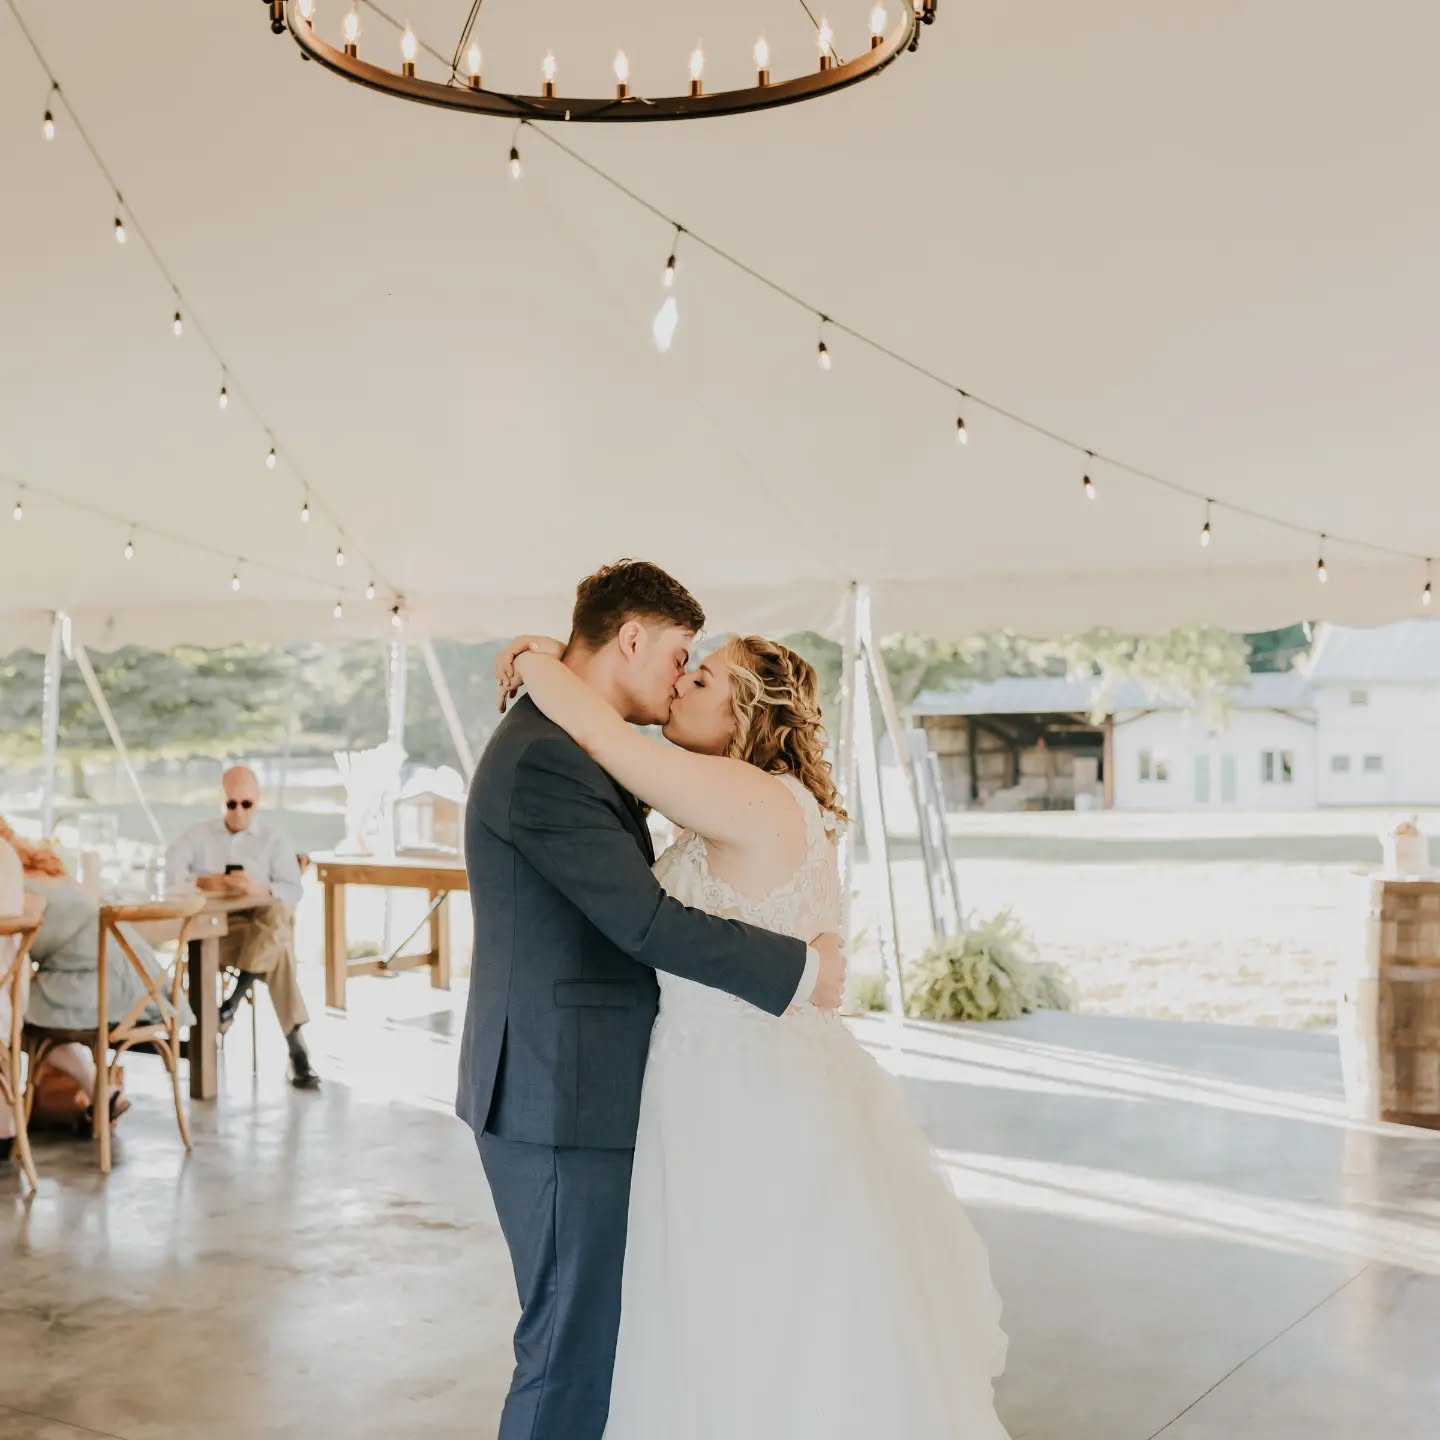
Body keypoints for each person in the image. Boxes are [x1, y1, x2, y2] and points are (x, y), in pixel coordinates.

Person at [496, 629, 1014, 1440]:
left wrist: (533, 663)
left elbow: (599, 734)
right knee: (717, 1325)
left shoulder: (746, 793)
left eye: (700, 679)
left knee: (749, 1323)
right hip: (717, 1081)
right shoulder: (739, 799)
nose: (679, 686)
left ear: (743, 713)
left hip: (741, 1099)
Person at [457, 561, 848, 1440]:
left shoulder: (573, 740)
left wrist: (536, 659)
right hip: (559, 1092)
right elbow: (642, 921)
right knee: (568, 1351)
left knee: (599, 1342)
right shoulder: (552, 760)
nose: (680, 676)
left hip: (601, 1087)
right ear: (631, 637)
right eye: (679, 655)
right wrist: (801, 973)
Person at [0, 816, 186, 1135]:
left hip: (100, 982)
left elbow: (13, 947)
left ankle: (15, 1119)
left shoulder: (12, 878)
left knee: (16, 1014)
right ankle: (101, 1091)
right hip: (142, 979)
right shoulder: (43, 866)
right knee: (19, 1006)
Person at [166, 766, 319, 1089]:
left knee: (276, 913)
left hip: (259, 927)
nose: (238, 811)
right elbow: (170, 878)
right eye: (231, 803)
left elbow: (293, 890)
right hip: (216, 934)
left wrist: (258, 889)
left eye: (245, 804)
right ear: (221, 800)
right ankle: (296, 1050)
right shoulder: (198, 836)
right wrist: (210, 881)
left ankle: (228, 1006)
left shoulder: (272, 841)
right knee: (279, 949)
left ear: (257, 802)